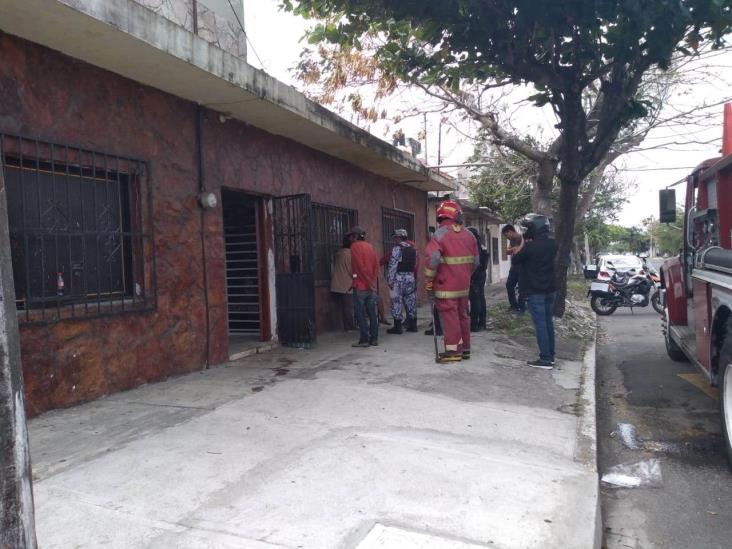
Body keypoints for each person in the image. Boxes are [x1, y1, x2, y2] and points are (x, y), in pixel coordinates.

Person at [424, 200, 479, 363]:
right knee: (463, 315)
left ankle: (453, 352)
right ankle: (465, 349)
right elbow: (476, 262)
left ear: (441, 217)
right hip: (464, 285)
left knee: (450, 317)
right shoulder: (469, 235)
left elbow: (432, 259)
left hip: (445, 284)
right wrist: (464, 275)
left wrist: (429, 281)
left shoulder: (440, 234)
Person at [511, 213, 558, 369]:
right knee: (548, 323)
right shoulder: (553, 244)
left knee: (540, 325)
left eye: (527, 228)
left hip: (535, 292)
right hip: (550, 290)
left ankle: (545, 359)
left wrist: (523, 241)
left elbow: (515, 259)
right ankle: (551, 356)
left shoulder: (529, 248)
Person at [348, 226, 380, 347]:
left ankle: (364, 339)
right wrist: (372, 282)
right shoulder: (370, 246)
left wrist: (367, 281)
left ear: (355, 236)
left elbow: (360, 266)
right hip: (369, 286)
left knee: (361, 314)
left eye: (351, 236)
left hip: (361, 285)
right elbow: (376, 265)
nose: (350, 238)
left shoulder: (355, 247)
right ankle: (374, 338)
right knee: (372, 313)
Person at [386, 229, 419, 334]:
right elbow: (415, 265)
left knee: (396, 302)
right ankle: (413, 325)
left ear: (399, 238)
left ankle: (397, 327)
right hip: (410, 278)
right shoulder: (413, 249)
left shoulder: (397, 249)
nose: (394, 240)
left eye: (395, 238)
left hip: (398, 279)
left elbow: (392, 265)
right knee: (411, 302)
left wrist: (390, 280)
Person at [330, 236, 355, 331]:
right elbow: (352, 271)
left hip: (336, 285)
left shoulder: (338, 253)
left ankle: (339, 327)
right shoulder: (349, 255)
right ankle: (349, 327)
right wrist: (356, 277)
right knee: (348, 308)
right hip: (346, 285)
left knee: (339, 308)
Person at [467, 227, 489, 332]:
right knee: (480, 298)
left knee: (475, 300)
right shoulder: (482, 245)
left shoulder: (474, 246)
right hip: (482, 275)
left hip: (475, 275)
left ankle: (474, 325)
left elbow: (475, 263)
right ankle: (482, 323)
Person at [502, 224, 525, 313]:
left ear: (510, 231)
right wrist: (514, 249)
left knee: (521, 288)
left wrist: (516, 248)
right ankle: (513, 305)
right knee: (509, 285)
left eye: (506, 235)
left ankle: (521, 307)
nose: (506, 237)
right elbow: (507, 252)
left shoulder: (522, 238)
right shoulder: (512, 240)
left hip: (522, 267)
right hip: (514, 267)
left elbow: (523, 250)